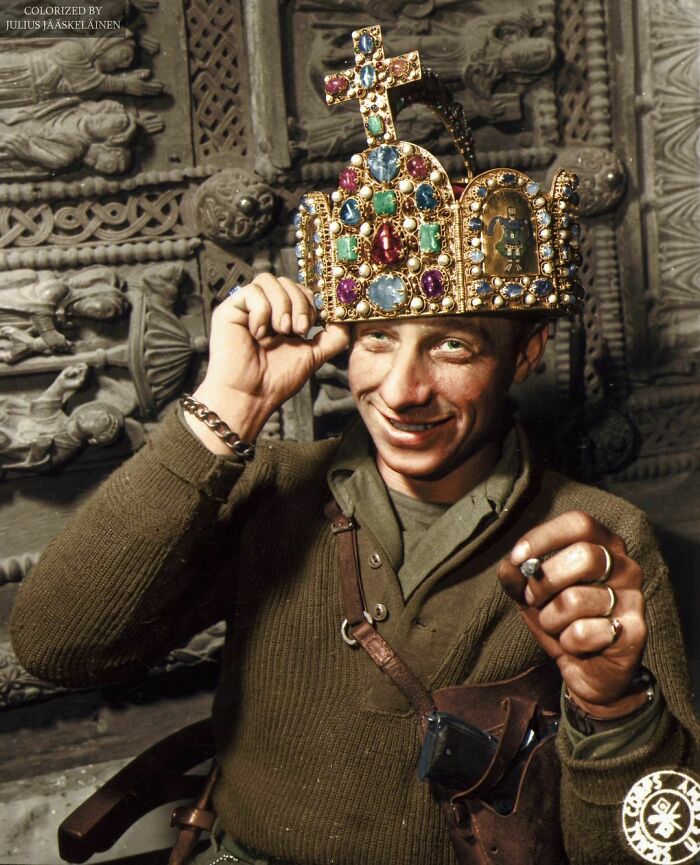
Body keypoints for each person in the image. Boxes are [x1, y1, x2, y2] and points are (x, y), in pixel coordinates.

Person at [10, 26, 700, 865]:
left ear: (523, 354)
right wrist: (222, 410)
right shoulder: (271, 488)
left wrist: (612, 706)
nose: (403, 390)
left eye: (452, 345)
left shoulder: (600, 537)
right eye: (376, 340)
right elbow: (56, 647)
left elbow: (653, 852)